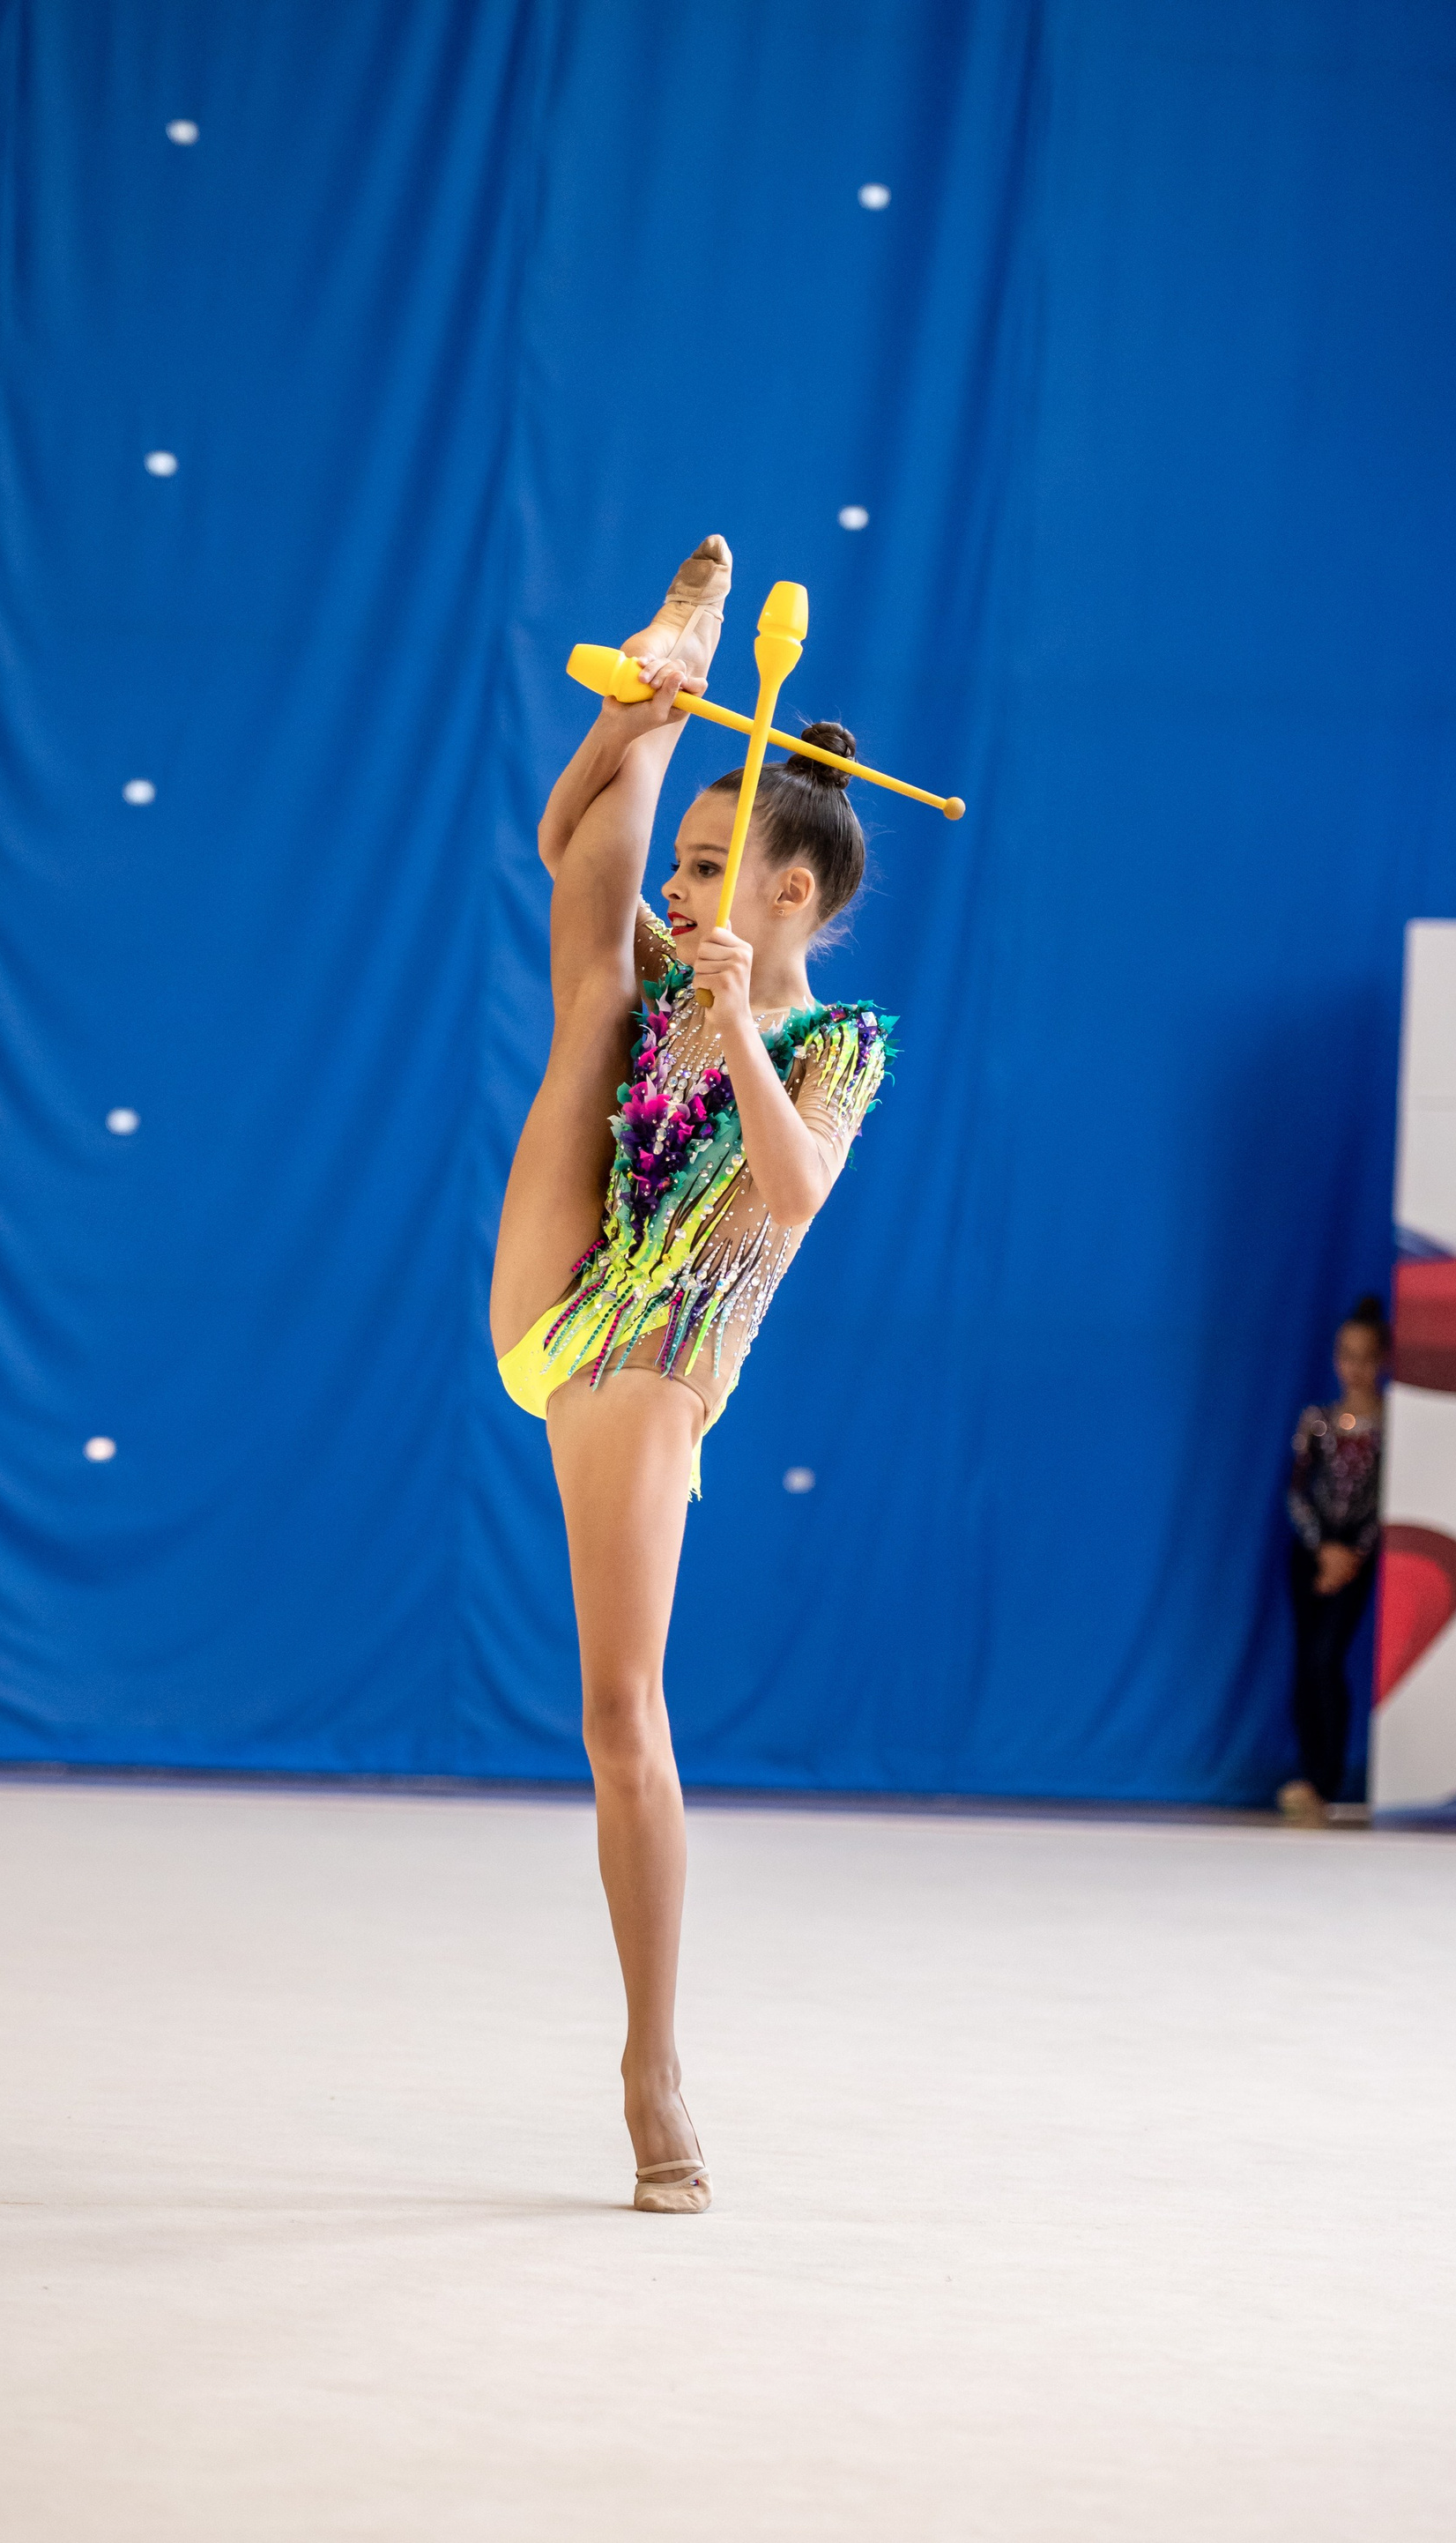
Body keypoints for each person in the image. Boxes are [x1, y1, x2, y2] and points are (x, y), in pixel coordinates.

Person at [490, 538, 891, 2210]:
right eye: (688, 857)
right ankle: (668, 674)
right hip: (564, 1296)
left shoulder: (837, 1040)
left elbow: (792, 1194)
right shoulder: (660, 969)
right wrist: (616, 745)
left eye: (716, 867)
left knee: (619, 1710)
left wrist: (732, 1015)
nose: (687, 886)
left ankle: (651, 2063)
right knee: (589, 954)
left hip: (663, 1354)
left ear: (790, 896)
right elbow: (564, 849)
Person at [1280, 1295, 1390, 1825]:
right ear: (1334, 1359)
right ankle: (1309, 1778)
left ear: (1383, 1360)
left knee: (1327, 1659)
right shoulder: (1318, 1420)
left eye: (1367, 1357)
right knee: (1306, 1661)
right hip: (1312, 1549)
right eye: (1347, 1356)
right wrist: (1322, 1548)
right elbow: (1297, 1491)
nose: (1356, 1368)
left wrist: (1352, 1554)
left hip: (1358, 1554)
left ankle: (1327, 1778)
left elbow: (1389, 1503)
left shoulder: (1393, 1427)